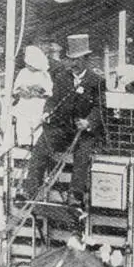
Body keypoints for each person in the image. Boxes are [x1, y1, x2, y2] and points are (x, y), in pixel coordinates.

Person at [22, 33, 108, 207]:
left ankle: (75, 196)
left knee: (82, 156)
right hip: (63, 128)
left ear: (86, 59)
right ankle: (30, 190)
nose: (73, 64)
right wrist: (46, 112)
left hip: (84, 132)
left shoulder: (96, 80)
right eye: (70, 60)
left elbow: (100, 107)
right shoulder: (62, 78)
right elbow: (53, 100)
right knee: (41, 146)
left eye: (76, 60)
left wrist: (88, 122)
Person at [11, 45, 53, 147]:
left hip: (38, 103)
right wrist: (23, 90)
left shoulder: (44, 74)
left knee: (37, 122)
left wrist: (38, 91)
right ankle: (25, 143)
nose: (28, 66)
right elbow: (16, 89)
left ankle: (37, 144)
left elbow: (48, 91)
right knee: (23, 123)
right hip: (25, 102)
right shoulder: (23, 72)